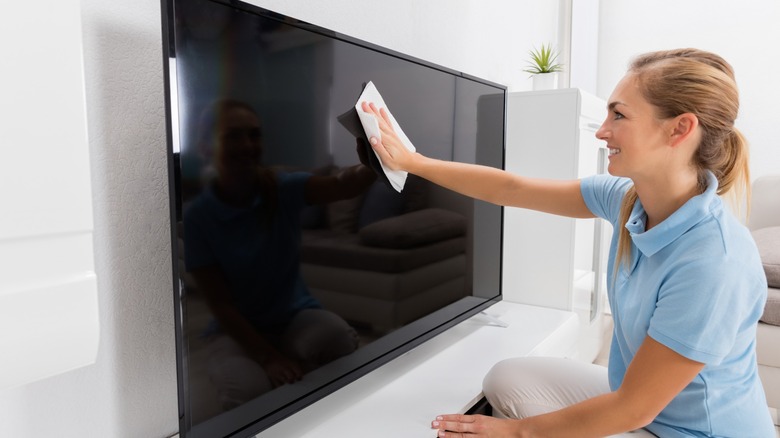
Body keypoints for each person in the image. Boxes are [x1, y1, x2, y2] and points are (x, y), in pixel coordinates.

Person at [361, 48, 775, 437]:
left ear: (679, 129)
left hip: (692, 431)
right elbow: (513, 189)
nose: (603, 131)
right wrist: (413, 162)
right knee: (508, 379)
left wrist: (516, 432)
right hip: (646, 405)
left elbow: (634, 409)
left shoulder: (714, 262)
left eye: (619, 115)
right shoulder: (628, 200)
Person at [183, 99, 376, 410]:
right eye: (233, 136)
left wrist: (373, 162)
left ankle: (290, 359)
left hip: (291, 317)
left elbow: (341, 184)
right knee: (247, 391)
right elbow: (221, 305)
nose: (247, 145)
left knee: (338, 338)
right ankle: (276, 360)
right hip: (236, 330)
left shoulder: (280, 187)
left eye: (254, 135)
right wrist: (268, 357)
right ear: (206, 146)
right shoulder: (198, 218)